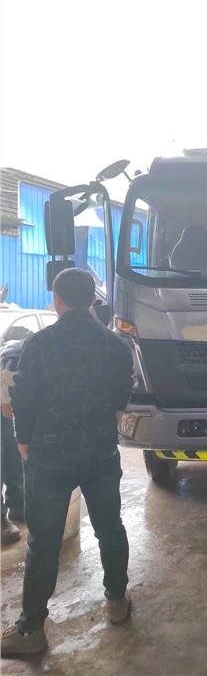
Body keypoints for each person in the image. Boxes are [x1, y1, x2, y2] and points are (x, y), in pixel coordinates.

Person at [1, 268, 133, 658]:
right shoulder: (116, 346)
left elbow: (23, 399)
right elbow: (121, 399)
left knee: (43, 544)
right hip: (100, 454)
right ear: (93, 300)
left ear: (57, 301)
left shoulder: (38, 344)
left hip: (49, 456)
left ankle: (31, 630)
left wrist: (24, 444)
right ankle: (117, 601)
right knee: (110, 528)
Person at [1, 339, 25, 546]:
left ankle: (18, 504)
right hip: (3, 393)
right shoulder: (16, 360)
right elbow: (7, 408)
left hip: (8, 393)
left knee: (12, 451)